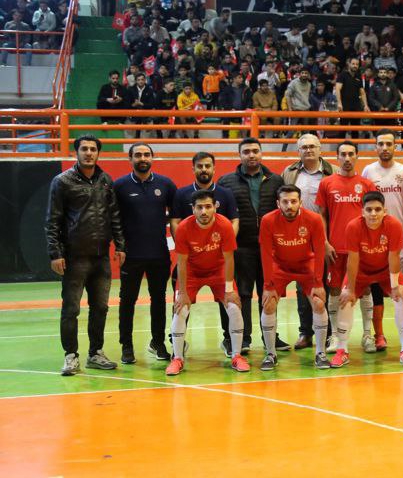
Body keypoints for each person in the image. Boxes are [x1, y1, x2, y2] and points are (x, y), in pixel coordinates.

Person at [46, 135, 125, 376]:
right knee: (71, 309)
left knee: (100, 308)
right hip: (74, 258)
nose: (89, 153)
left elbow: (114, 216)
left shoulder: (105, 180)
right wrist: (55, 253)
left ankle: (95, 354)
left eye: (93, 149)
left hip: (101, 257)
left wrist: (120, 245)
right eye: (84, 149)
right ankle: (71, 356)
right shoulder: (62, 181)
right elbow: (53, 220)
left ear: (98, 153)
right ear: (76, 152)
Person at [166, 190, 250, 375]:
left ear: (215, 207)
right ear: (193, 209)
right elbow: (181, 262)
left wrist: (229, 289)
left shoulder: (225, 225)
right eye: (199, 207)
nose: (204, 211)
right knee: (180, 310)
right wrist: (182, 293)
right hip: (192, 272)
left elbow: (229, 259)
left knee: (234, 307)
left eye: (208, 206)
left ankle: (237, 356)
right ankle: (177, 358)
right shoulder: (184, 228)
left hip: (218, 269)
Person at [217, 138, 288, 356]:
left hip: (269, 248)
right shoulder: (226, 181)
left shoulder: (276, 180)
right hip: (241, 246)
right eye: (246, 151)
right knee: (243, 293)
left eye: (255, 151)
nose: (251, 155)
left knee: (269, 292)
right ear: (239, 155)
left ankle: (271, 336)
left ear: (261, 153)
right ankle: (240, 337)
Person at [331, 191, 403, 368]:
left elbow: (394, 258)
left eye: (377, 209)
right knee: (345, 300)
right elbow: (352, 260)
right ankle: (342, 350)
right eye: (369, 210)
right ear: (363, 211)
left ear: (385, 210)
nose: (373, 213)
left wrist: (394, 286)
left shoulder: (394, 226)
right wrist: (351, 289)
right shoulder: (353, 226)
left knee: (402, 297)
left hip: (386, 270)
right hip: (361, 271)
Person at [113, 143, 176, 364]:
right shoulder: (119, 186)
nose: (143, 158)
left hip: (159, 254)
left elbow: (176, 218)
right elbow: (113, 220)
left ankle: (158, 343)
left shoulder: (166, 184)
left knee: (159, 300)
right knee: (127, 301)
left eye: (146, 154)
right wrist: (119, 247)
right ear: (129, 159)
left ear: (152, 157)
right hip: (130, 255)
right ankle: (127, 346)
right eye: (138, 155)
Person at [315, 141, 377, 354]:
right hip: (335, 249)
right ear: (337, 157)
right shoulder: (327, 183)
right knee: (334, 291)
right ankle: (335, 336)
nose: (348, 158)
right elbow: (322, 216)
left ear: (357, 156)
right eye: (343, 154)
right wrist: (324, 242)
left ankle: (367, 334)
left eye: (351, 154)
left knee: (365, 288)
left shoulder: (367, 184)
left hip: (361, 250)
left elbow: (373, 216)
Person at [259, 185, 330, 370]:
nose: (289, 205)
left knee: (319, 302)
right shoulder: (268, 220)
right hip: (280, 266)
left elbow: (320, 250)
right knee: (268, 303)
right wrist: (268, 285)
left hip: (306, 265)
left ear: (301, 202)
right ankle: (270, 353)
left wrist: (318, 282)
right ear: (278, 203)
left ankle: (320, 353)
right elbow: (266, 253)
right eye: (285, 202)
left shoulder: (313, 219)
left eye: (293, 201)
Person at [281, 134, 336, 350]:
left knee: (325, 283)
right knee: (302, 286)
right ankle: (306, 333)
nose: (308, 150)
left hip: (324, 236)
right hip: (297, 237)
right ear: (298, 151)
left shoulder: (332, 172)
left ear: (320, 149)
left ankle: (330, 333)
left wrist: (328, 239)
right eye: (304, 147)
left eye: (313, 146)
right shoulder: (289, 172)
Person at [361, 129, 403, 350]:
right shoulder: (368, 171)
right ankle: (379, 335)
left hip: (401, 238)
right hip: (374, 240)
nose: (384, 147)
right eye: (380, 144)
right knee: (376, 288)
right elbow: (365, 203)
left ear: (395, 147)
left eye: (389, 144)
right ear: (376, 147)